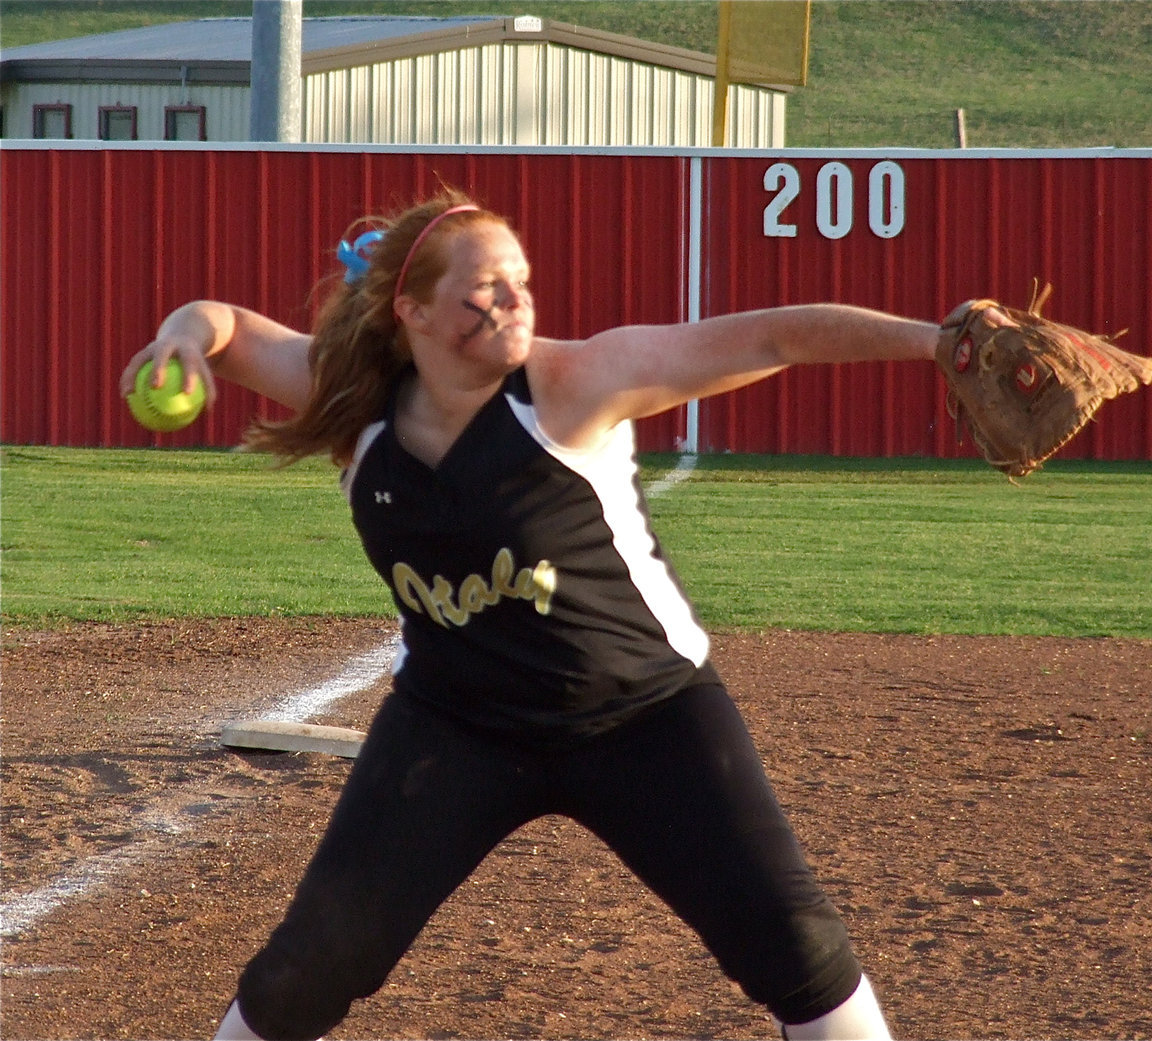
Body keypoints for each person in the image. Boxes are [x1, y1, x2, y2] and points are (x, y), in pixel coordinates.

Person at [121, 189, 947, 1041]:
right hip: (457, 727)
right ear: (411, 310)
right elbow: (218, 323)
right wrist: (182, 338)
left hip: (644, 715)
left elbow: (775, 336)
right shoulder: (354, 400)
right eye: (486, 287)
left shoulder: (570, 383)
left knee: (793, 943)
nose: (516, 300)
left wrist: (939, 341)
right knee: (311, 964)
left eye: (520, 279)